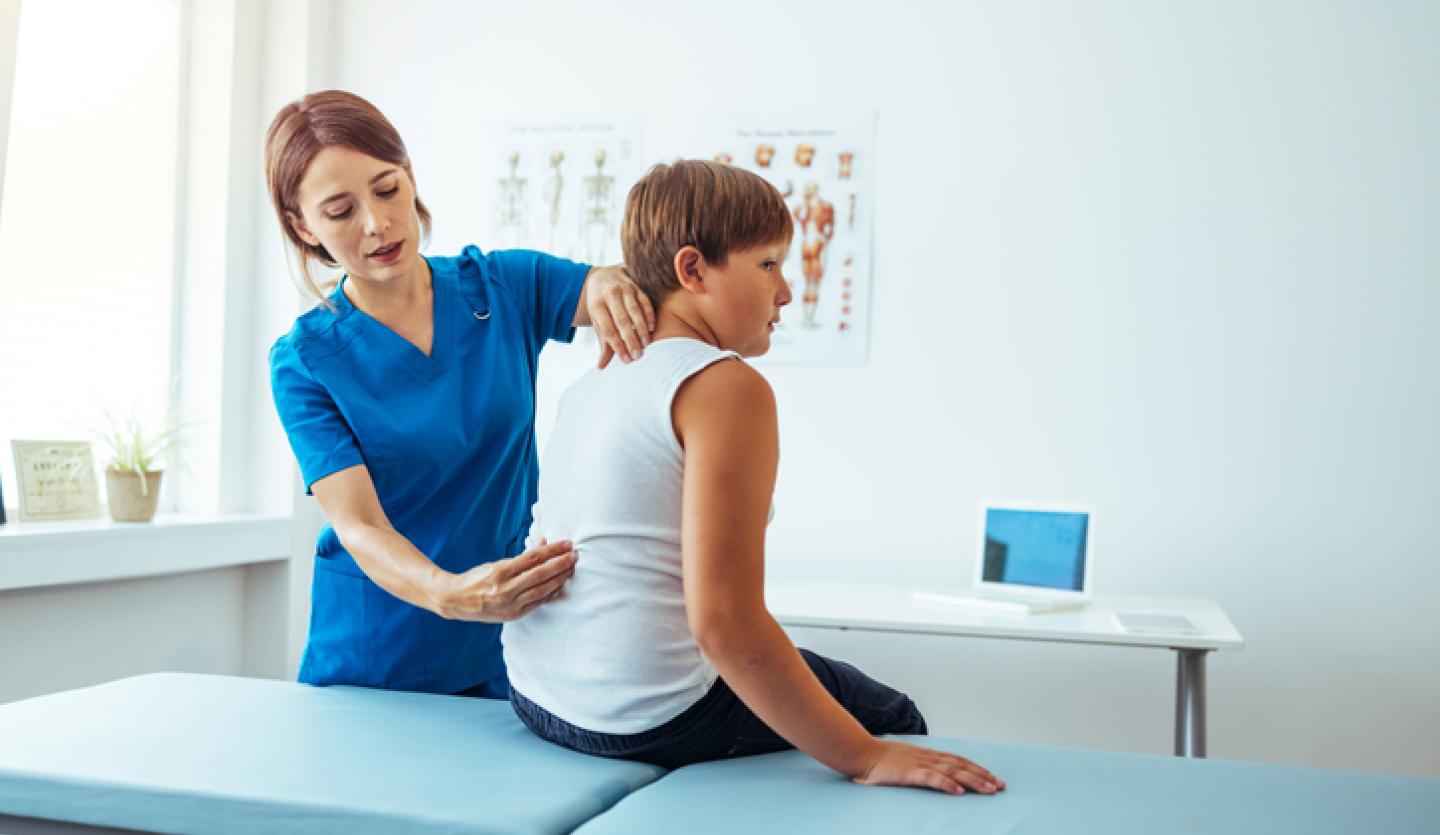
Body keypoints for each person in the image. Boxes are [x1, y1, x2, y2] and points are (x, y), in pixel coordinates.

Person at [502, 160, 1006, 796]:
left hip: (537, 695)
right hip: (643, 716)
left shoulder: (590, 382)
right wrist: (868, 756)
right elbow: (724, 624)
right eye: (768, 265)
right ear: (693, 270)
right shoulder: (724, 386)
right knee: (890, 718)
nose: (786, 292)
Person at [264, 90, 655, 697]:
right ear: (301, 225)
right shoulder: (305, 362)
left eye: (387, 189)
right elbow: (359, 525)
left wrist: (610, 282)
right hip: (378, 653)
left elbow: (609, 288)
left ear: (410, 176)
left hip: (514, 640)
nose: (377, 223)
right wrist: (448, 594)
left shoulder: (503, 286)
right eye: (339, 211)